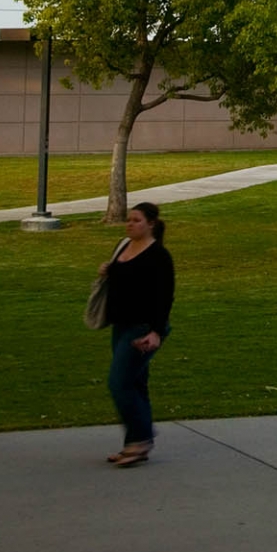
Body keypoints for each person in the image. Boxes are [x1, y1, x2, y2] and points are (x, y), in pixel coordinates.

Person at [100, 201, 174, 468]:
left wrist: (155, 332)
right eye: (128, 220)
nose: (130, 224)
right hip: (121, 325)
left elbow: (164, 297)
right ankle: (134, 445)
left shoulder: (158, 256)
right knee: (135, 384)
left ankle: (141, 438)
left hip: (143, 329)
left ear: (151, 224)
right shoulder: (124, 246)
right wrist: (108, 270)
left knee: (118, 383)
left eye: (136, 220)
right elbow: (121, 277)